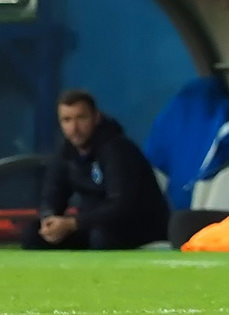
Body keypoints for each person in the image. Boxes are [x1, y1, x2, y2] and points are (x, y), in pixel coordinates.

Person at [34, 89, 170, 250]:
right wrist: (48, 219)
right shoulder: (65, 152)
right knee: (33, 235)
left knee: (102, 237)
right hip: (91, 225)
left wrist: (73, 223)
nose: (74, 128)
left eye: (81, 118)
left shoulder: (118, 150)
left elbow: (120, 206)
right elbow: (52, 194)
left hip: (138, 226)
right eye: (67, 120)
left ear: (96, 117)